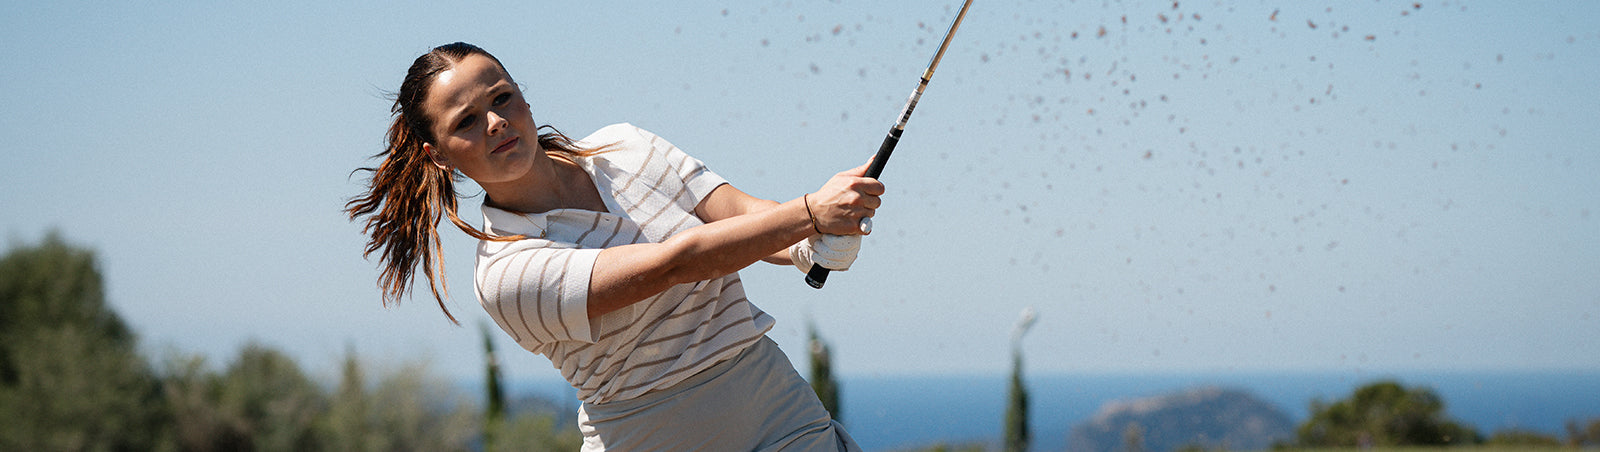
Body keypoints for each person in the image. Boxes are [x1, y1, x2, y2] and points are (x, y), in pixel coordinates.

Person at [346, 42, 880, 451]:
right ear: (437, 156)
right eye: (465, 121)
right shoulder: (505, 274)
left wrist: (813, 243)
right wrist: (809, 213)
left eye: (502, 97)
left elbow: (742, 215)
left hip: (779, 413)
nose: (496, 122)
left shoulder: (628, 147)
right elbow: (676, 263)